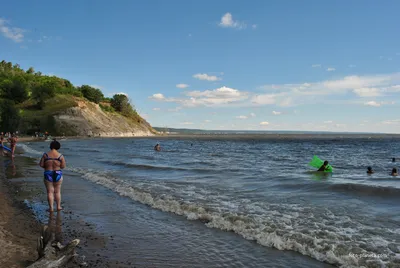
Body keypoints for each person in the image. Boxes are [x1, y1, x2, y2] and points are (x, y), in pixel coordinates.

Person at [39, 140, 66, 212]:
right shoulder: (60, 156)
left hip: (48, 173)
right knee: (57, 191)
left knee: (50, 192)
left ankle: (51, 208)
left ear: (50, 146)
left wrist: (47, 166)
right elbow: (63, 166)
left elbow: (41, 165)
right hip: (57, 173)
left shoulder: (45, 155)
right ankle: (58, 207)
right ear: (58, 147)